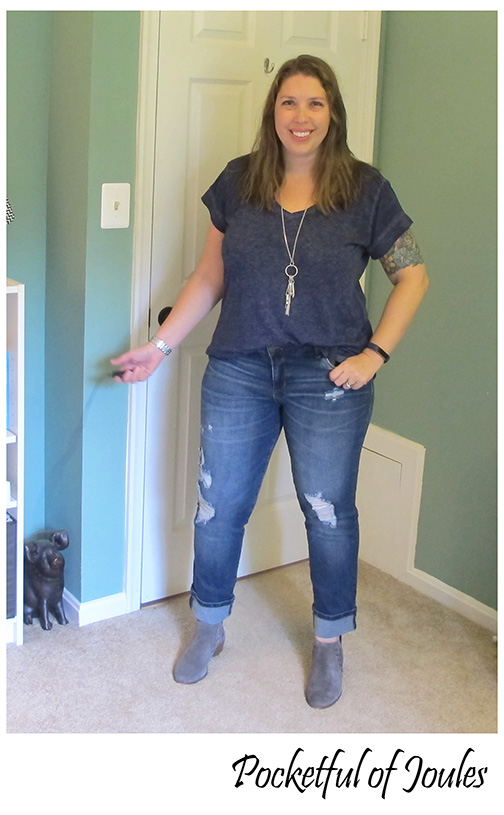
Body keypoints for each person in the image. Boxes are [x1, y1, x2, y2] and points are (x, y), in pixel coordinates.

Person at [112, 54, 428, 709]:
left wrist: (375, 353)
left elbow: (413, 276)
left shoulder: (366, 190)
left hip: (330, 375)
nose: (301, 116)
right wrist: (161, 347)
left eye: (315, 102)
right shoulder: (238, 182)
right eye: (289, 102)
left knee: (328, 512)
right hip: (240, 368)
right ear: (273, 111)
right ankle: (209, 625)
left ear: (333, 112)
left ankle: (330, 639)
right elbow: (209, 277)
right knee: (219, 505)